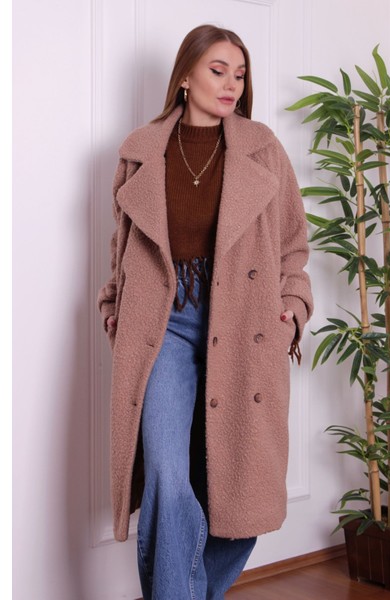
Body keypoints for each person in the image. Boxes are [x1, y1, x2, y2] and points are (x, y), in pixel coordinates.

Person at [97, 24, 313, 600]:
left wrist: (292, 305)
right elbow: (121, 245)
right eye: (218, 71)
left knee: (241, 494)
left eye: (239, 74)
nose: (231, 84)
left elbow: (293, 242)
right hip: (162, 327)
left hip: (244, 328)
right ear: (186, 77)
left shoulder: (262, 148)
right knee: (168, 478)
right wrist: (113, 304)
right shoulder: (142, 150)